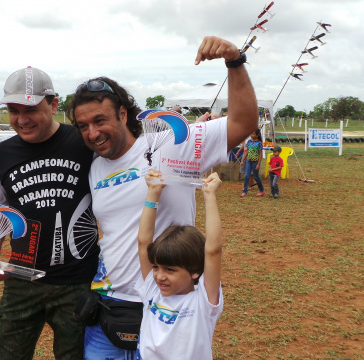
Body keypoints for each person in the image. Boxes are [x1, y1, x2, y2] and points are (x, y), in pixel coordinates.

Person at [66, 35, 257, 359]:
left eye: (100, 120)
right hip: (109, 304)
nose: (92, 133)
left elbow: (243, 122)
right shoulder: (95, 167)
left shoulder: (173, 145)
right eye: (83, 126)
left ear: (123, 114)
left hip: (167, 302)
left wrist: (234, 62)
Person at [0, 66, 99, 359]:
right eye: (13, 110)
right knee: (8, 352)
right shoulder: (3, 153)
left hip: (77, 280)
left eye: (31, 109)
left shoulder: (84, 143)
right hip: (22, 278)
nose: (22, 119)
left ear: (54, 104)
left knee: (74, 355)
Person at [136, 170, 223, 360]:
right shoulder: (152, 289)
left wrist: (209, 196)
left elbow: (213, 250)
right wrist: (153, 192)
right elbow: (144, 242)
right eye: (156, 267)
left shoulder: (203, 300)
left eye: (170, 269)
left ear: (195, 271)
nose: (159, 276)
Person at [239, 128, 266, 197]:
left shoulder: (259, 143)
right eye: (251, 134)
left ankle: (262, 190)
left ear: (257, 135)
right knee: (246, 176)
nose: (251, 135)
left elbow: (260, 154)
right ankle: (245, 191)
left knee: (256, 177)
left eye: (253, 134)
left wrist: (258, 164)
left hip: (255, 162)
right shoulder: (249, 142)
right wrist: (242, 161)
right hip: (248, 161)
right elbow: (246, 152)